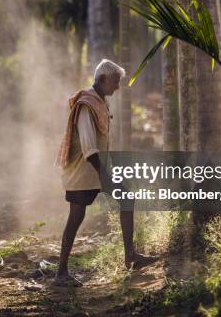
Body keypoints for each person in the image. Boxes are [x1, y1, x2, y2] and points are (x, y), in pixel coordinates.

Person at [53, 59, 152, 287]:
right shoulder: (87, 104)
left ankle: (130, 256)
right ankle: (61, 273)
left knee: (126, 197)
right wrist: (105, 175)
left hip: (95, 170)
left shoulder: (99, 101)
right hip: (83, 171)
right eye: (116, 81)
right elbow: (89, 146)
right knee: (76, 217)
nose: (118, 86)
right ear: (103, 79)